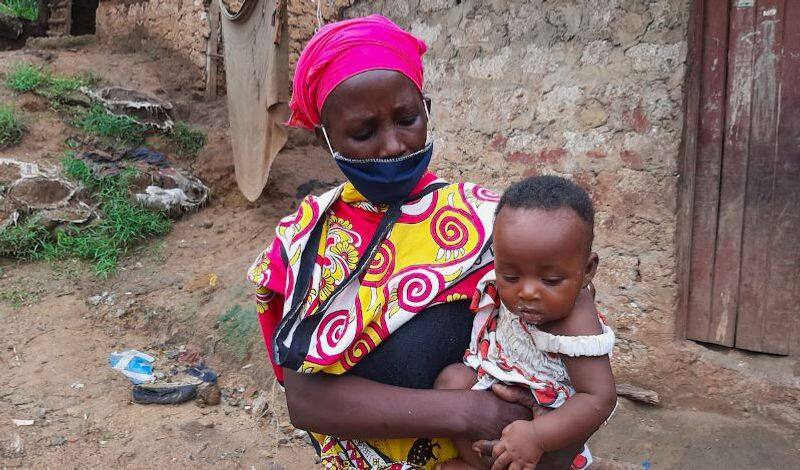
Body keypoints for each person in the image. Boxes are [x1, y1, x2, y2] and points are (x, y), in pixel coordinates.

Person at [247, 15, 597, 469]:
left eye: (407, 119)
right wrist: (467, 412)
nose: (393, 145)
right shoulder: (306, 242)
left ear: (425, 109)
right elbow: (307, 401)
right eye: (364, 132)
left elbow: (577, 352)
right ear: (324, 136)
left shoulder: (494, 220)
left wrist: (539, 415)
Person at [435, 176, 617, 470]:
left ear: (587, 271)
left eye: (551, 280)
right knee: (453, 380)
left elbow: (599, 398)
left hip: (546, 420)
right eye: (511, 276)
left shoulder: (576, 323)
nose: (528, 292)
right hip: (503, 379)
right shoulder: (526, 287)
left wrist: (537, 436)